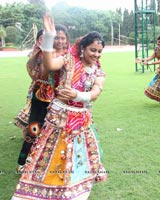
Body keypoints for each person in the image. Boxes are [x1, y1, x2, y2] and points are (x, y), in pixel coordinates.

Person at [11, 14, 107, 200]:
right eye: (92, 50)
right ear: (82, 48)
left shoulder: (98, 71)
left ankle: (72, 187)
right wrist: (49, 36)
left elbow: (96, 92)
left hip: (81, 120)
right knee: (51, 154)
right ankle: (43, 187)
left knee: (76, 156)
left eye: (99, 51)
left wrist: (78, 95)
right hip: (59, 118)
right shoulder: (67, 61)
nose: (95, 54)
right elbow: (48, 64)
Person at [15, 24, 70, 173]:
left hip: (62, 98)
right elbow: (45, 71)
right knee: (34, 128)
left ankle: (55, 164)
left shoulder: (70, 54)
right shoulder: (43, 53)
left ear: (67, 40)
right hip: (42, 95)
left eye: (62, 38)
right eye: (56, 38)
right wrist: (51, 55)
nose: (59, 41)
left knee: (60, 130)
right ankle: (23, 162)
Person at [136, 35, 160, 108]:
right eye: (158, 42)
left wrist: (148, 63)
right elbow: (150, 58)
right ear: (156, 42)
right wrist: (142, 59)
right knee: (158, 85)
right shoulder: (157, 48)